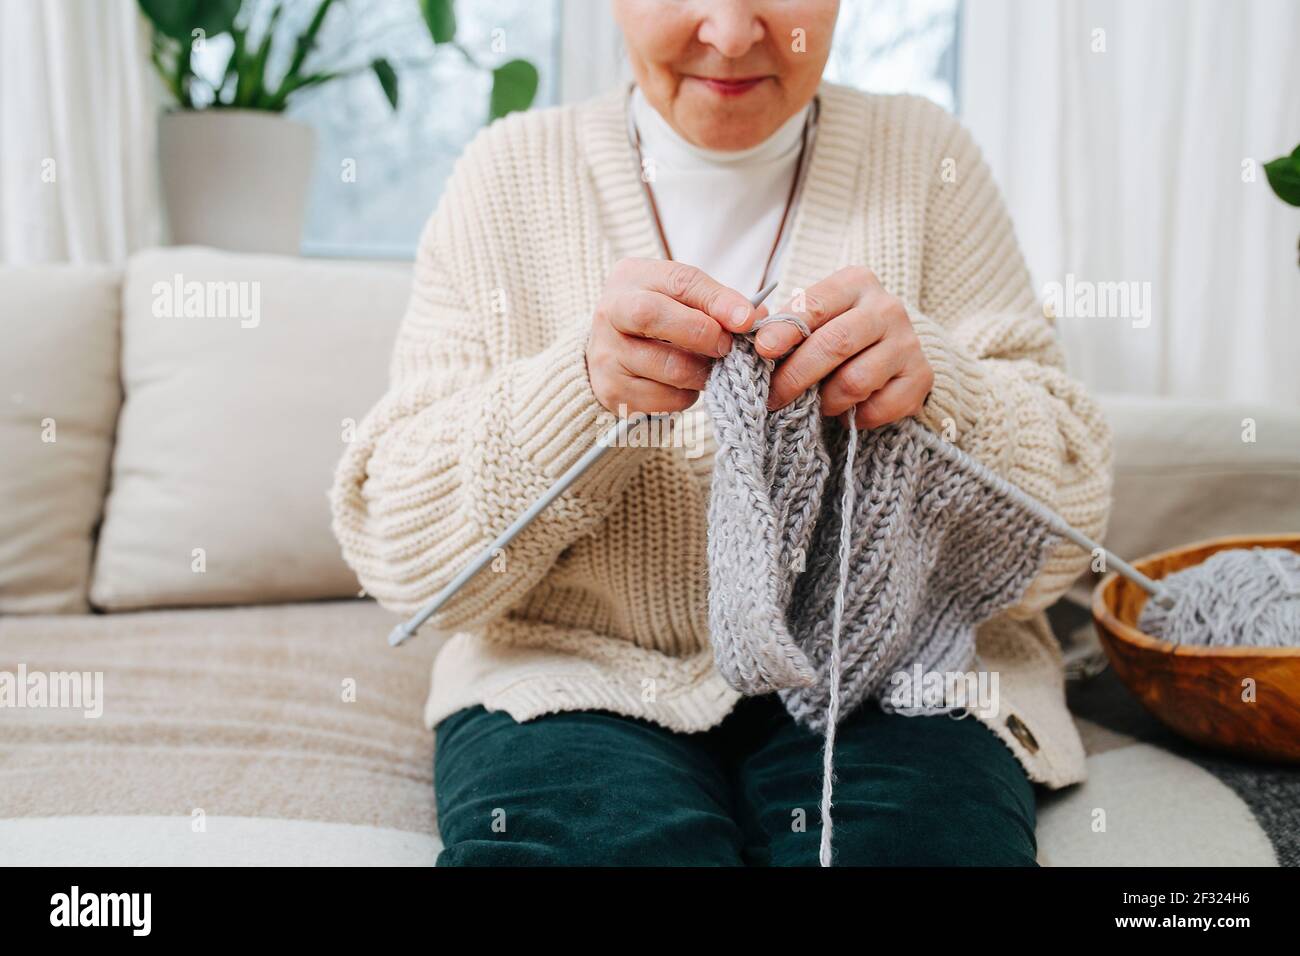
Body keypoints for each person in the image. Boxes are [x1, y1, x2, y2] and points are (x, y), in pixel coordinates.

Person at [330, 0, 1112, 866]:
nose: (733, 34)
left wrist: (939, 391)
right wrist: (576, 394)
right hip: (576, 678)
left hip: (891, 673)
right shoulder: (508, 174)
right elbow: (405, 558)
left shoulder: (924, 159)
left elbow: (1061, 529)